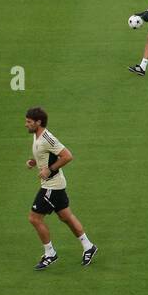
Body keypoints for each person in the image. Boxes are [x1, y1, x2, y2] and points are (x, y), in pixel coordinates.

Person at [24, 107, 98, 269]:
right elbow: (45, 155)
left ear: (39, 122)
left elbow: (67, 156)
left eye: (29, 122)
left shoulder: (47, 138)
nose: (26, 124)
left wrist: (50, 170)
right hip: (55, 185)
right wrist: (34, 161)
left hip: (52, 186)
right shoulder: (38, 137)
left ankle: (50, 253)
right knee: (66, 217)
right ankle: (88, 246)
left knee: (34, 218)